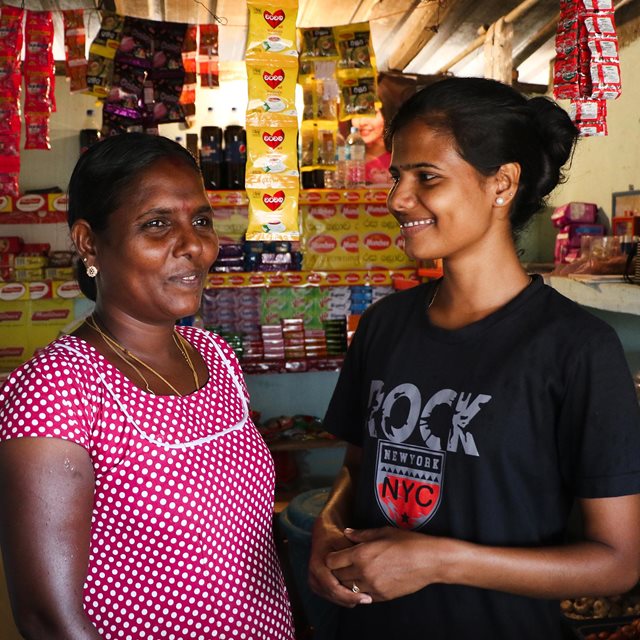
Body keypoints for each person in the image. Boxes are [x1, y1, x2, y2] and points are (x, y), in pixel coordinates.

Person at [308, 76, 640, 639]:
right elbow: (359, 468)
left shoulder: (575, 348)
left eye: (426, 178)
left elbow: (616, 562)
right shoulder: (385, 325)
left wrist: (440, 561)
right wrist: (328, 521)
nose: (396, 199)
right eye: (396, 176)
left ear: (502, 183)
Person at [0, 133, 294, 640]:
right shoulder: (58, 388)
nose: (194, 246)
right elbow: (49, 620)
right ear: (90, 242)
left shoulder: (215, 357)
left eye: (200, 221)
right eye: (157, 225)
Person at [351, 107, 393, 187]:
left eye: (372, 113)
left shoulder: (400, 161)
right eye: (356, 113)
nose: (362, 122)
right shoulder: (344, 160)